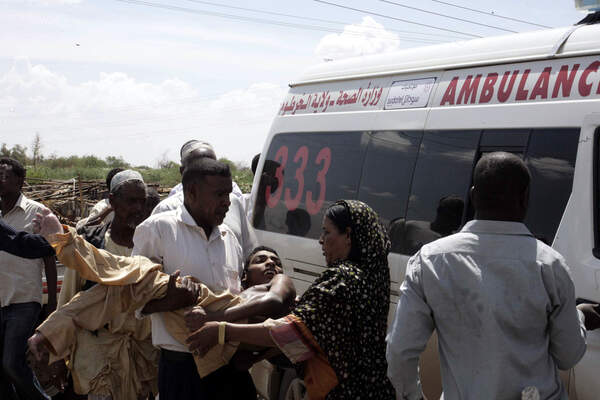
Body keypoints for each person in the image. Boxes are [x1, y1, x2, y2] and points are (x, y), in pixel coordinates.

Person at [385, 152, 590, 400]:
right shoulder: (550, 265)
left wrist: (413, 396)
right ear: (525, 199)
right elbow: (568, 356)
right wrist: (579, 316)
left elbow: (400, 351)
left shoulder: (430, 260)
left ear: (473, 195)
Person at [186, 200, 396, 400]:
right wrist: (256, 357)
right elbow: (312, 338)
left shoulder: (341, 280)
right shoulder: (372, 279)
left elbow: (292, 332)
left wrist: (222, 330)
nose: (321, 240)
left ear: (348, 235)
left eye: (327, 232)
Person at [133, 157, 255, 399]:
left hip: (228, 364)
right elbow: (132, 299)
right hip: (183, 368)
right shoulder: (158, 230)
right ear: (191, 192)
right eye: (219, 195)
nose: (227, 203)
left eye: (228, 194)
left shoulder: (229, 237)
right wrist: (170, 301)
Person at [59, 169, 157, 400]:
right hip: (96, 353)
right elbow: (67, 303)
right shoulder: (91, 246)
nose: (137, 209)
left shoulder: (154, 249)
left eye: (141, 202)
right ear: (112, 201)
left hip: (141, 354)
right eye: (130, 201)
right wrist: (57, 354)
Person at [0, 157, 56, 400]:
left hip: (23, 300)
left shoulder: (37, 212)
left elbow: (49, 255)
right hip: (0, 299)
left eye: (4, 176)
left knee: (12, 363)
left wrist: (53, 301)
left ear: (20, 181)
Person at [153, 140, 257, 258]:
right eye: (200, 166)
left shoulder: (233, 203)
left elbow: (250, 252)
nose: (225, 202)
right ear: (183, 172)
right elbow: (146, 270)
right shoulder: (165, 211)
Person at [167, 140, 243, 199]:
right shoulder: (174, 197)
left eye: (210, 166)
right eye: (199, 169)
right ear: (182, 171)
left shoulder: (232, 192)